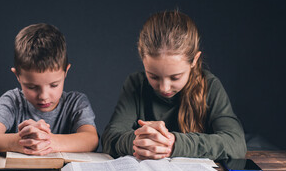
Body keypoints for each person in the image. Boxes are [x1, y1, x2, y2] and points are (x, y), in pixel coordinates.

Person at [102, 10, 247, 161]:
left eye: (175, 77)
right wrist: (143, 141)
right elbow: (110, 138)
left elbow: (236, 144)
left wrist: (173, 144)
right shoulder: (135, 84)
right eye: (153, 76)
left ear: (194, 60)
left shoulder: (210, 85)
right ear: (142, 59)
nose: (164, 87)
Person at [0, 24, 98, 155]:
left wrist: (45, 140)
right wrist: (20, 141)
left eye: (54, 85)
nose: (43, 96)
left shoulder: (77, 103)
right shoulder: (12, 101)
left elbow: (91, 139)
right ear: (17, 75)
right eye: (32, 87)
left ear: (65, 72)